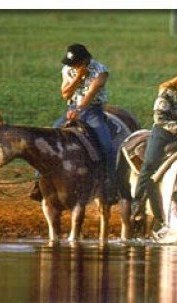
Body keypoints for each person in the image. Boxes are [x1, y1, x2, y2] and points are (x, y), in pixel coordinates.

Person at [30, 44, 117, 204]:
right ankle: (38, 181)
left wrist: (78, 109)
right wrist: (78, 77)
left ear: (85, 61)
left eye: (76, 63)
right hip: (72, 108)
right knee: (49, 139)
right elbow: (65, 94)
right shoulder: (68, 69)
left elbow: (91, 93)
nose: (72, 66)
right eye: (71, 63)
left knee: (107, 147)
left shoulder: (101, 71)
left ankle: (110, 186)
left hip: (92, 111)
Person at [130, 68, 177, 234]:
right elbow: (159, 118)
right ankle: (137, 202)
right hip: (163, 133)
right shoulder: (168, 93)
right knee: (149, 165)